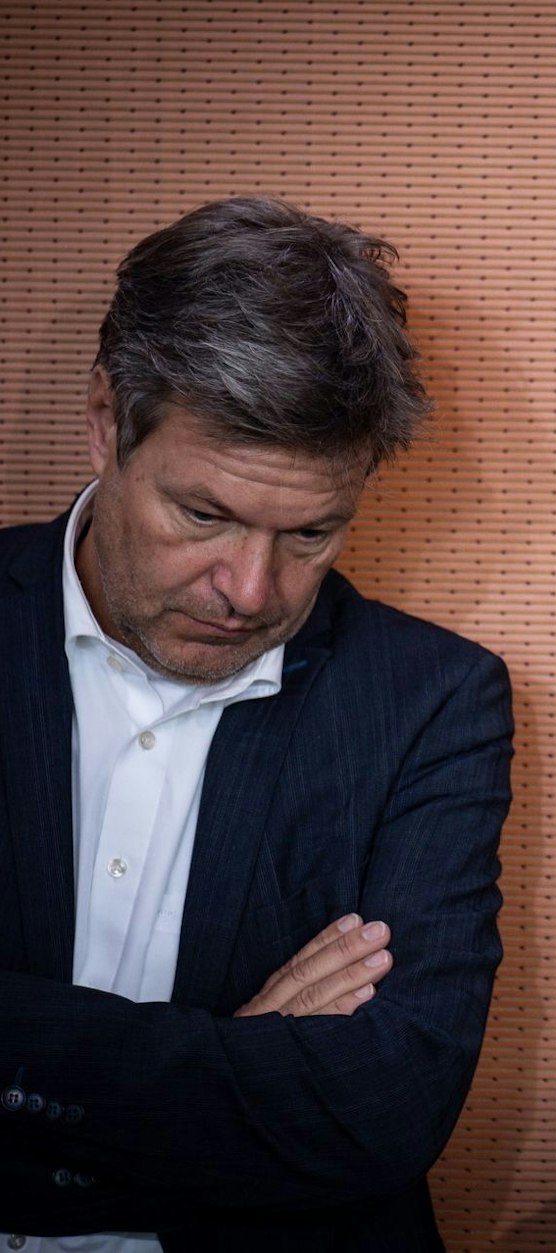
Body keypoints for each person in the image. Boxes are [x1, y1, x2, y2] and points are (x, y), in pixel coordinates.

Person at [0, 197, 513, 1252]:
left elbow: (388, 1107)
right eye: (204, 514)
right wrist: (232, 1059)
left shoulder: (433, 700)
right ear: (104, 420)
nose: (248, 589)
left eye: (310, 533)